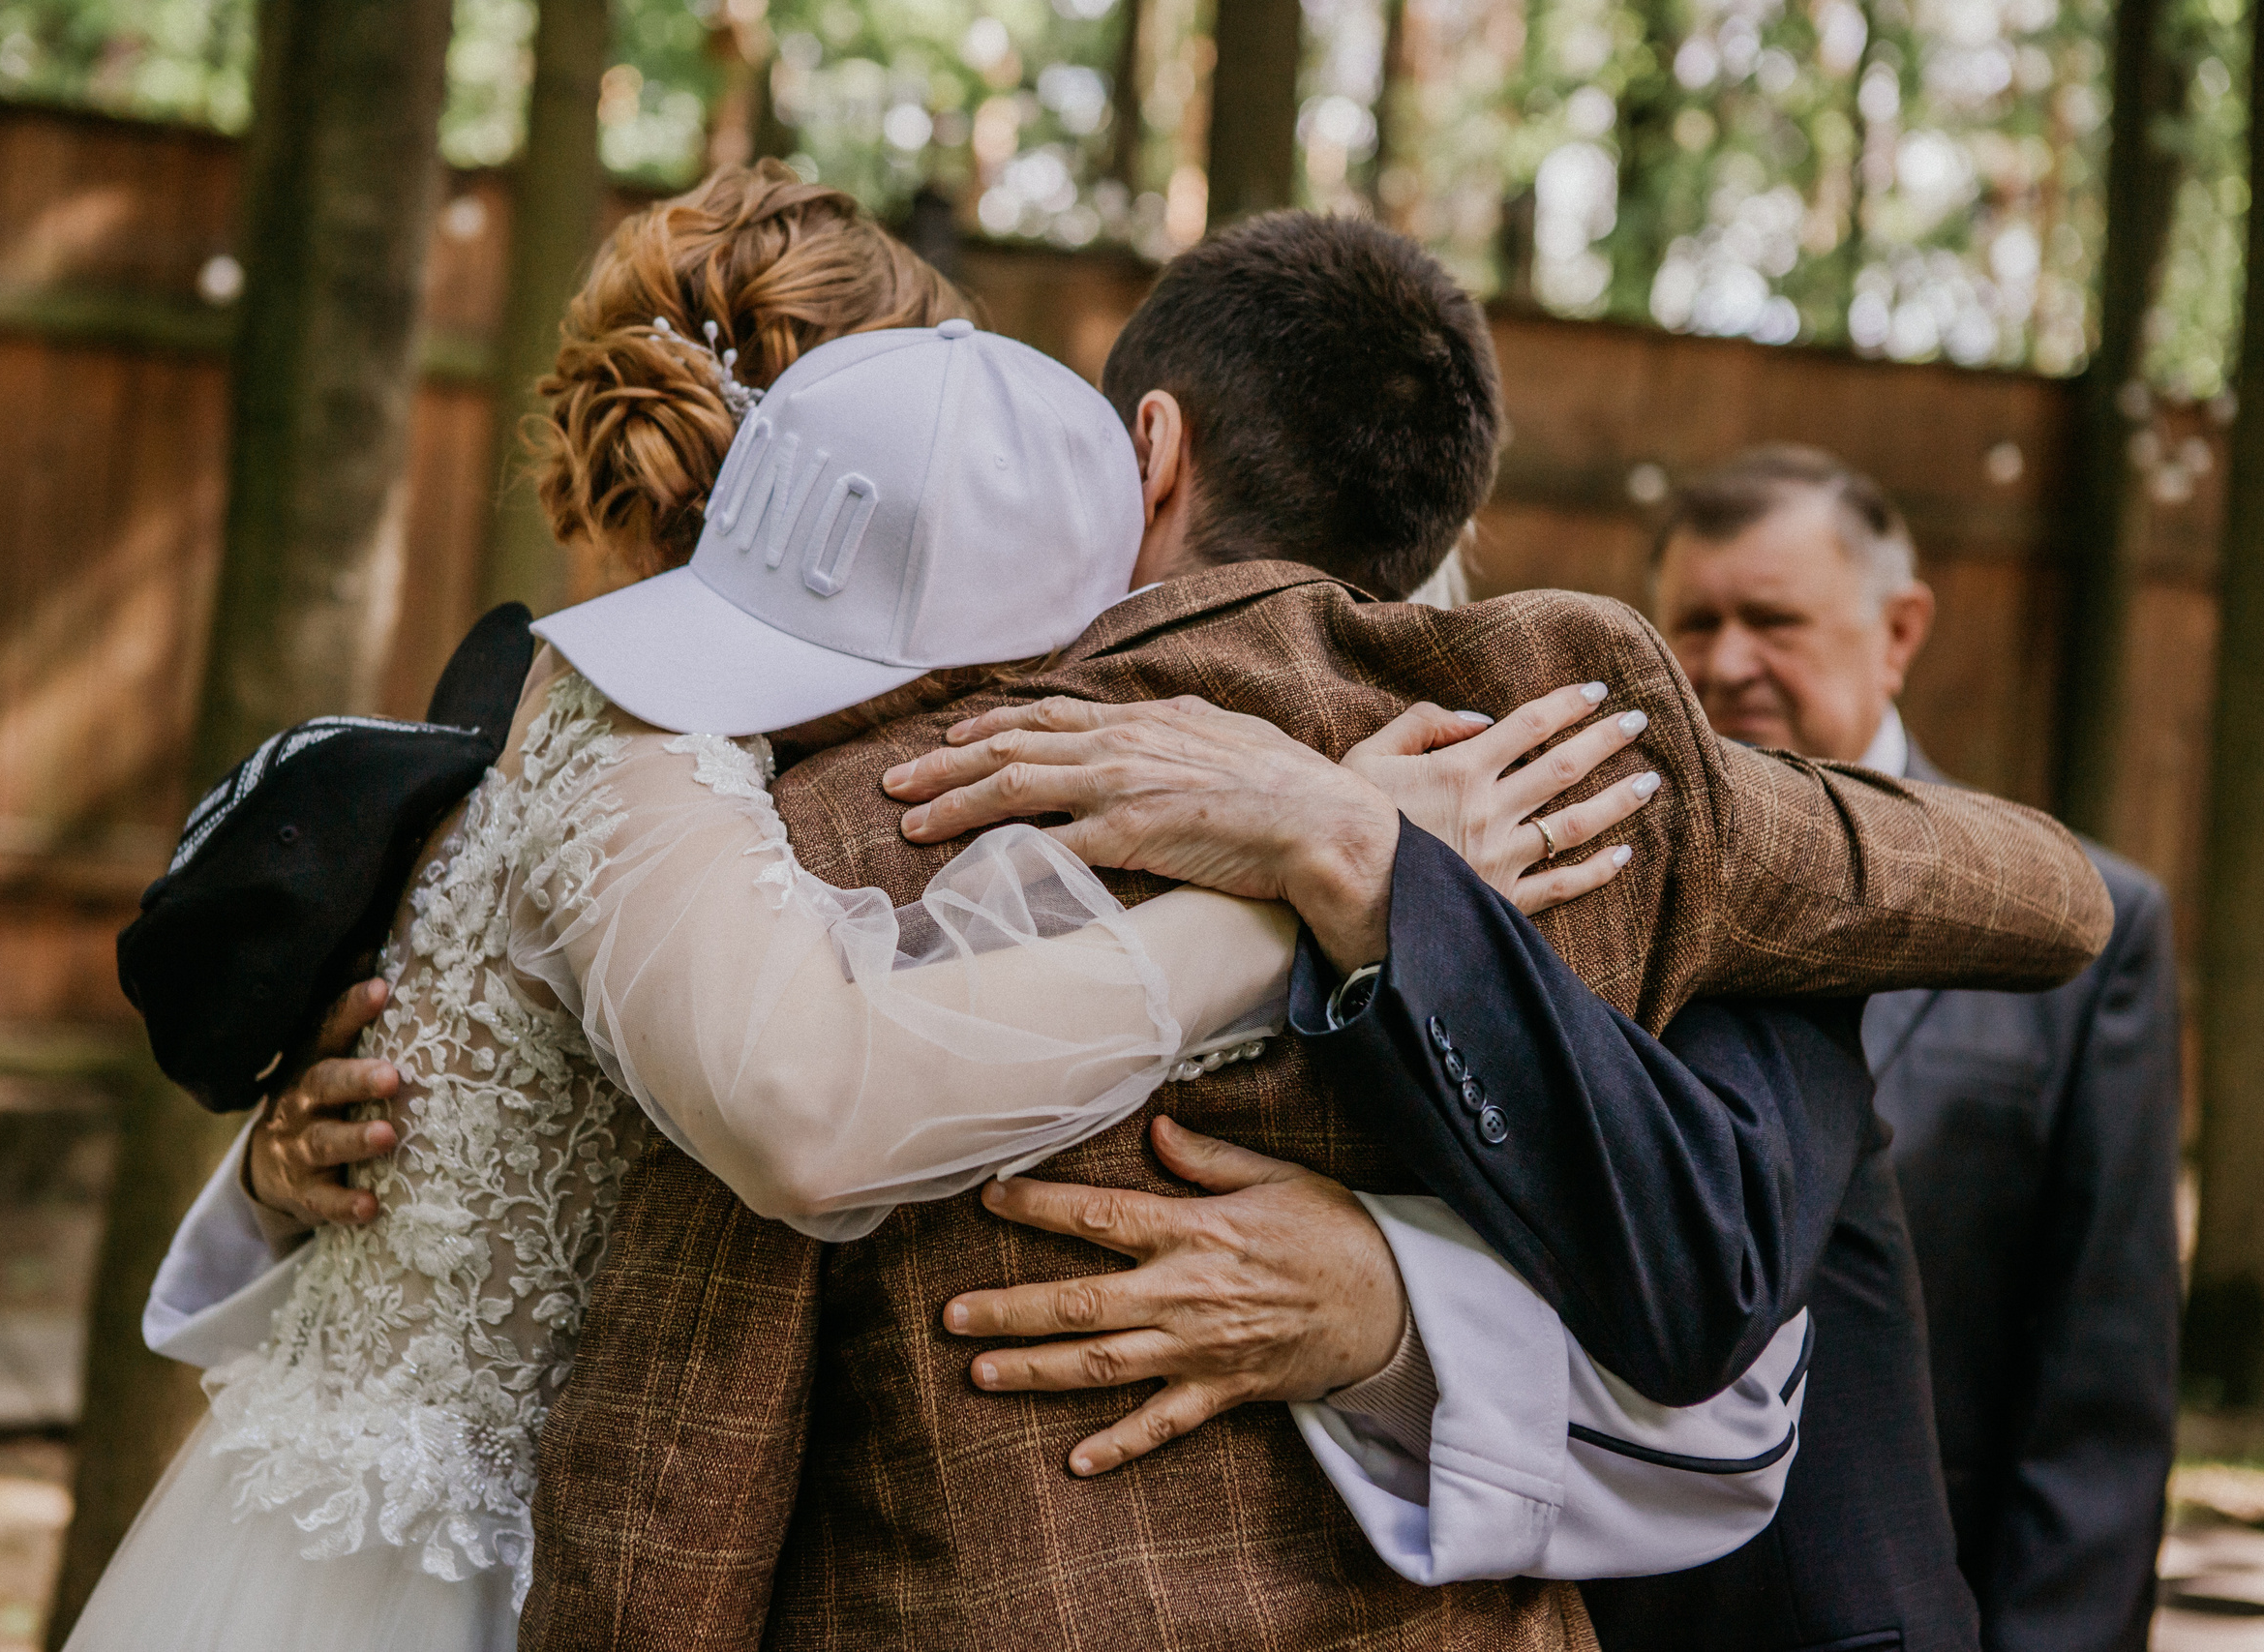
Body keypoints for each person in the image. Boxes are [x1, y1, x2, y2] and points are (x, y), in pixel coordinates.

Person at [105, 166, 1767, 1652]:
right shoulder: (637, 731)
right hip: (449, 1572)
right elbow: (814, 1104)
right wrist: (1328, 886)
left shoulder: (772, 745)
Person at [514, 214, 2110, 1650]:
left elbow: (681, 1452)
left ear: (1150, 446)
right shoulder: (1579, 768)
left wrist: (1353, 853)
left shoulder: (853, 820)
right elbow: (2058, 894)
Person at [1649, 443, 2181, 1652]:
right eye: (1695, 623)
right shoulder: (1594, 908)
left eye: (1771, 621)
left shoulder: (2091, 935)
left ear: (1899, 631)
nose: (1726, 664)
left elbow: (2096, 1399)